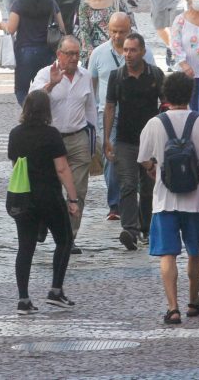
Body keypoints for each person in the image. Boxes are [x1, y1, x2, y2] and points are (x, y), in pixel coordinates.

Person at [137, 72, 199, 325]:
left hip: (165, 200)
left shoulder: (155, 123)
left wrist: (155, 171)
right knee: (194, 253)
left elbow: (143, 159)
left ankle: (173, 308)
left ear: (165, 95)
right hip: (196, 200)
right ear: (190, 95)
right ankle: (192, 301)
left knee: (168, 255)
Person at [7, 90, 81, 313]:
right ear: (47, 110)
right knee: (64, 240)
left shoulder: (15, 134)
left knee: (25, 247)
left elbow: (15, 165)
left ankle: (23, 299)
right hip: (48, 195)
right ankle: (55, 290)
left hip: (23, 196)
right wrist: (73, 198)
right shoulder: (51, 134)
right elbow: (61, 167)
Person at [29, 36, 98, 253]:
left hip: (78, 137)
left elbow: (90, 109)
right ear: (59, 54)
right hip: (51, 139)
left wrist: (95, 139)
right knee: (48, 191)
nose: (74, 58)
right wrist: (51, 84)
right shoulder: (44, 73)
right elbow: (31, 103)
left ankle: (69, 238)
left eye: (77, 54)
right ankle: (42, 223)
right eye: (69, 54)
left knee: (77, 190)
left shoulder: (85, 76)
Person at [90, 13, 156, 221]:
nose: (117, 36)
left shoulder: (144, 53)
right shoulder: (99, 53)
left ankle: (139, 204)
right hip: (108, 113)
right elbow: (91, 83)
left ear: (130, 30)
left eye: (122, 31)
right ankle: (116, 204)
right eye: (113, 31)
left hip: (138, 114)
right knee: (111, 156)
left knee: (141, 156)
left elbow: (154, 77)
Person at [104, 33, 166, 250]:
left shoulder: (155, 75)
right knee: (128, 185)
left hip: (150, 142)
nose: (128, 54)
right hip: (124, 140)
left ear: (142, 51)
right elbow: (110, 107)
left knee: (148, 187)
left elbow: (166, 104)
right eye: (125, 50)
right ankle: (130, 229)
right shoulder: (117, 76)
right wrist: (106, 139)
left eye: (132, 50)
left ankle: (146, 229)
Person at [0, 0, 64, 105]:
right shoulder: (49, 1)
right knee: (45, 87)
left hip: (25, 52)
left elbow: (11, 29)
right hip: (47, 51)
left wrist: (2, 25)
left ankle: (29, 113)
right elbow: (62, 27)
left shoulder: (19, 3)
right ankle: (42, 113)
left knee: (21, 90)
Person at [77, 0, 132, 67]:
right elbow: (84, 31)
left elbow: (131, 24)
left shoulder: (117, 0)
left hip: (118, 49)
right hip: (96, 53)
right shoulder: (85, 6)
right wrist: (91, 54)